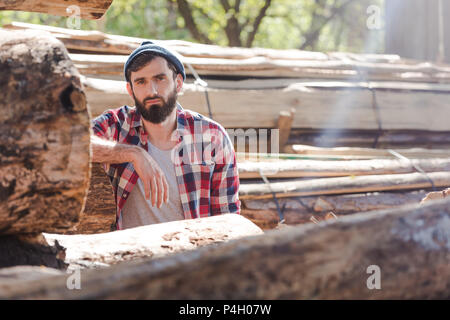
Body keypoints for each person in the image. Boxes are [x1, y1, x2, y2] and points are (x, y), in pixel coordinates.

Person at [91, 41, 240, 230]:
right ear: (130, 90)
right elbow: (71, 143)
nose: (151, 90)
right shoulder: (117, 125)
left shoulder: (212, 137)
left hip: (192, 254)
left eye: (160, 79)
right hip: (128, 255)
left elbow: (228, 219)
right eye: (141, 82)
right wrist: (133, 154)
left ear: (178, 83)